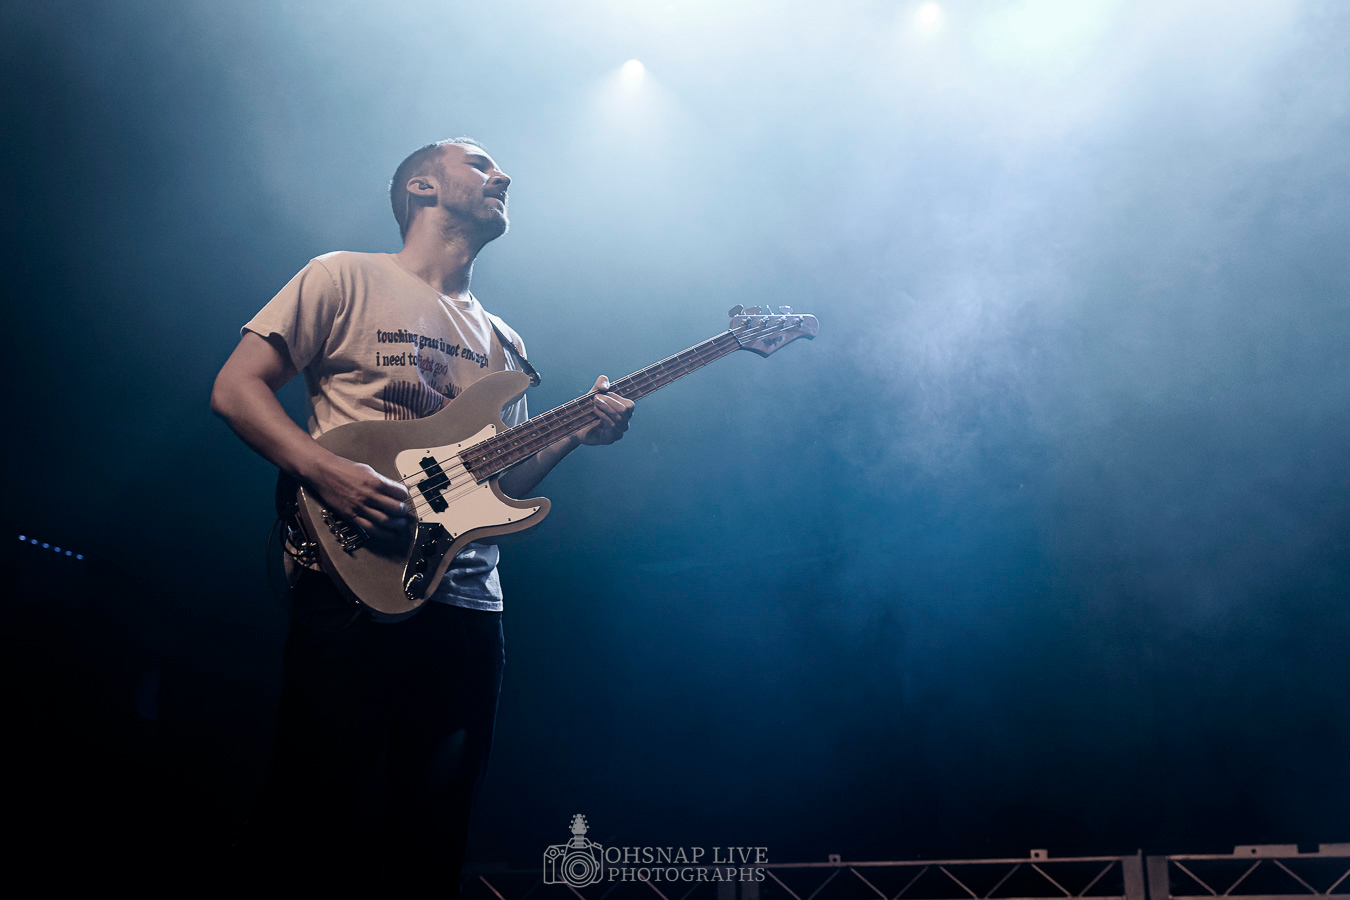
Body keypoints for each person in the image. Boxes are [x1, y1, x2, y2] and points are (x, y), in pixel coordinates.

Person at [210, 137, 634, 892]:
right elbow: (236, 387)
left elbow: (497, 480)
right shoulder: (341, 277)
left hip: (466, 605)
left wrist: (573, 432)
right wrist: (324, 471)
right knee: (308, 816)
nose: (503, 175)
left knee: (434, 836)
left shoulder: (505, 343)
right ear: (422, 188)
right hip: (352, 583)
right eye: (480, 163)